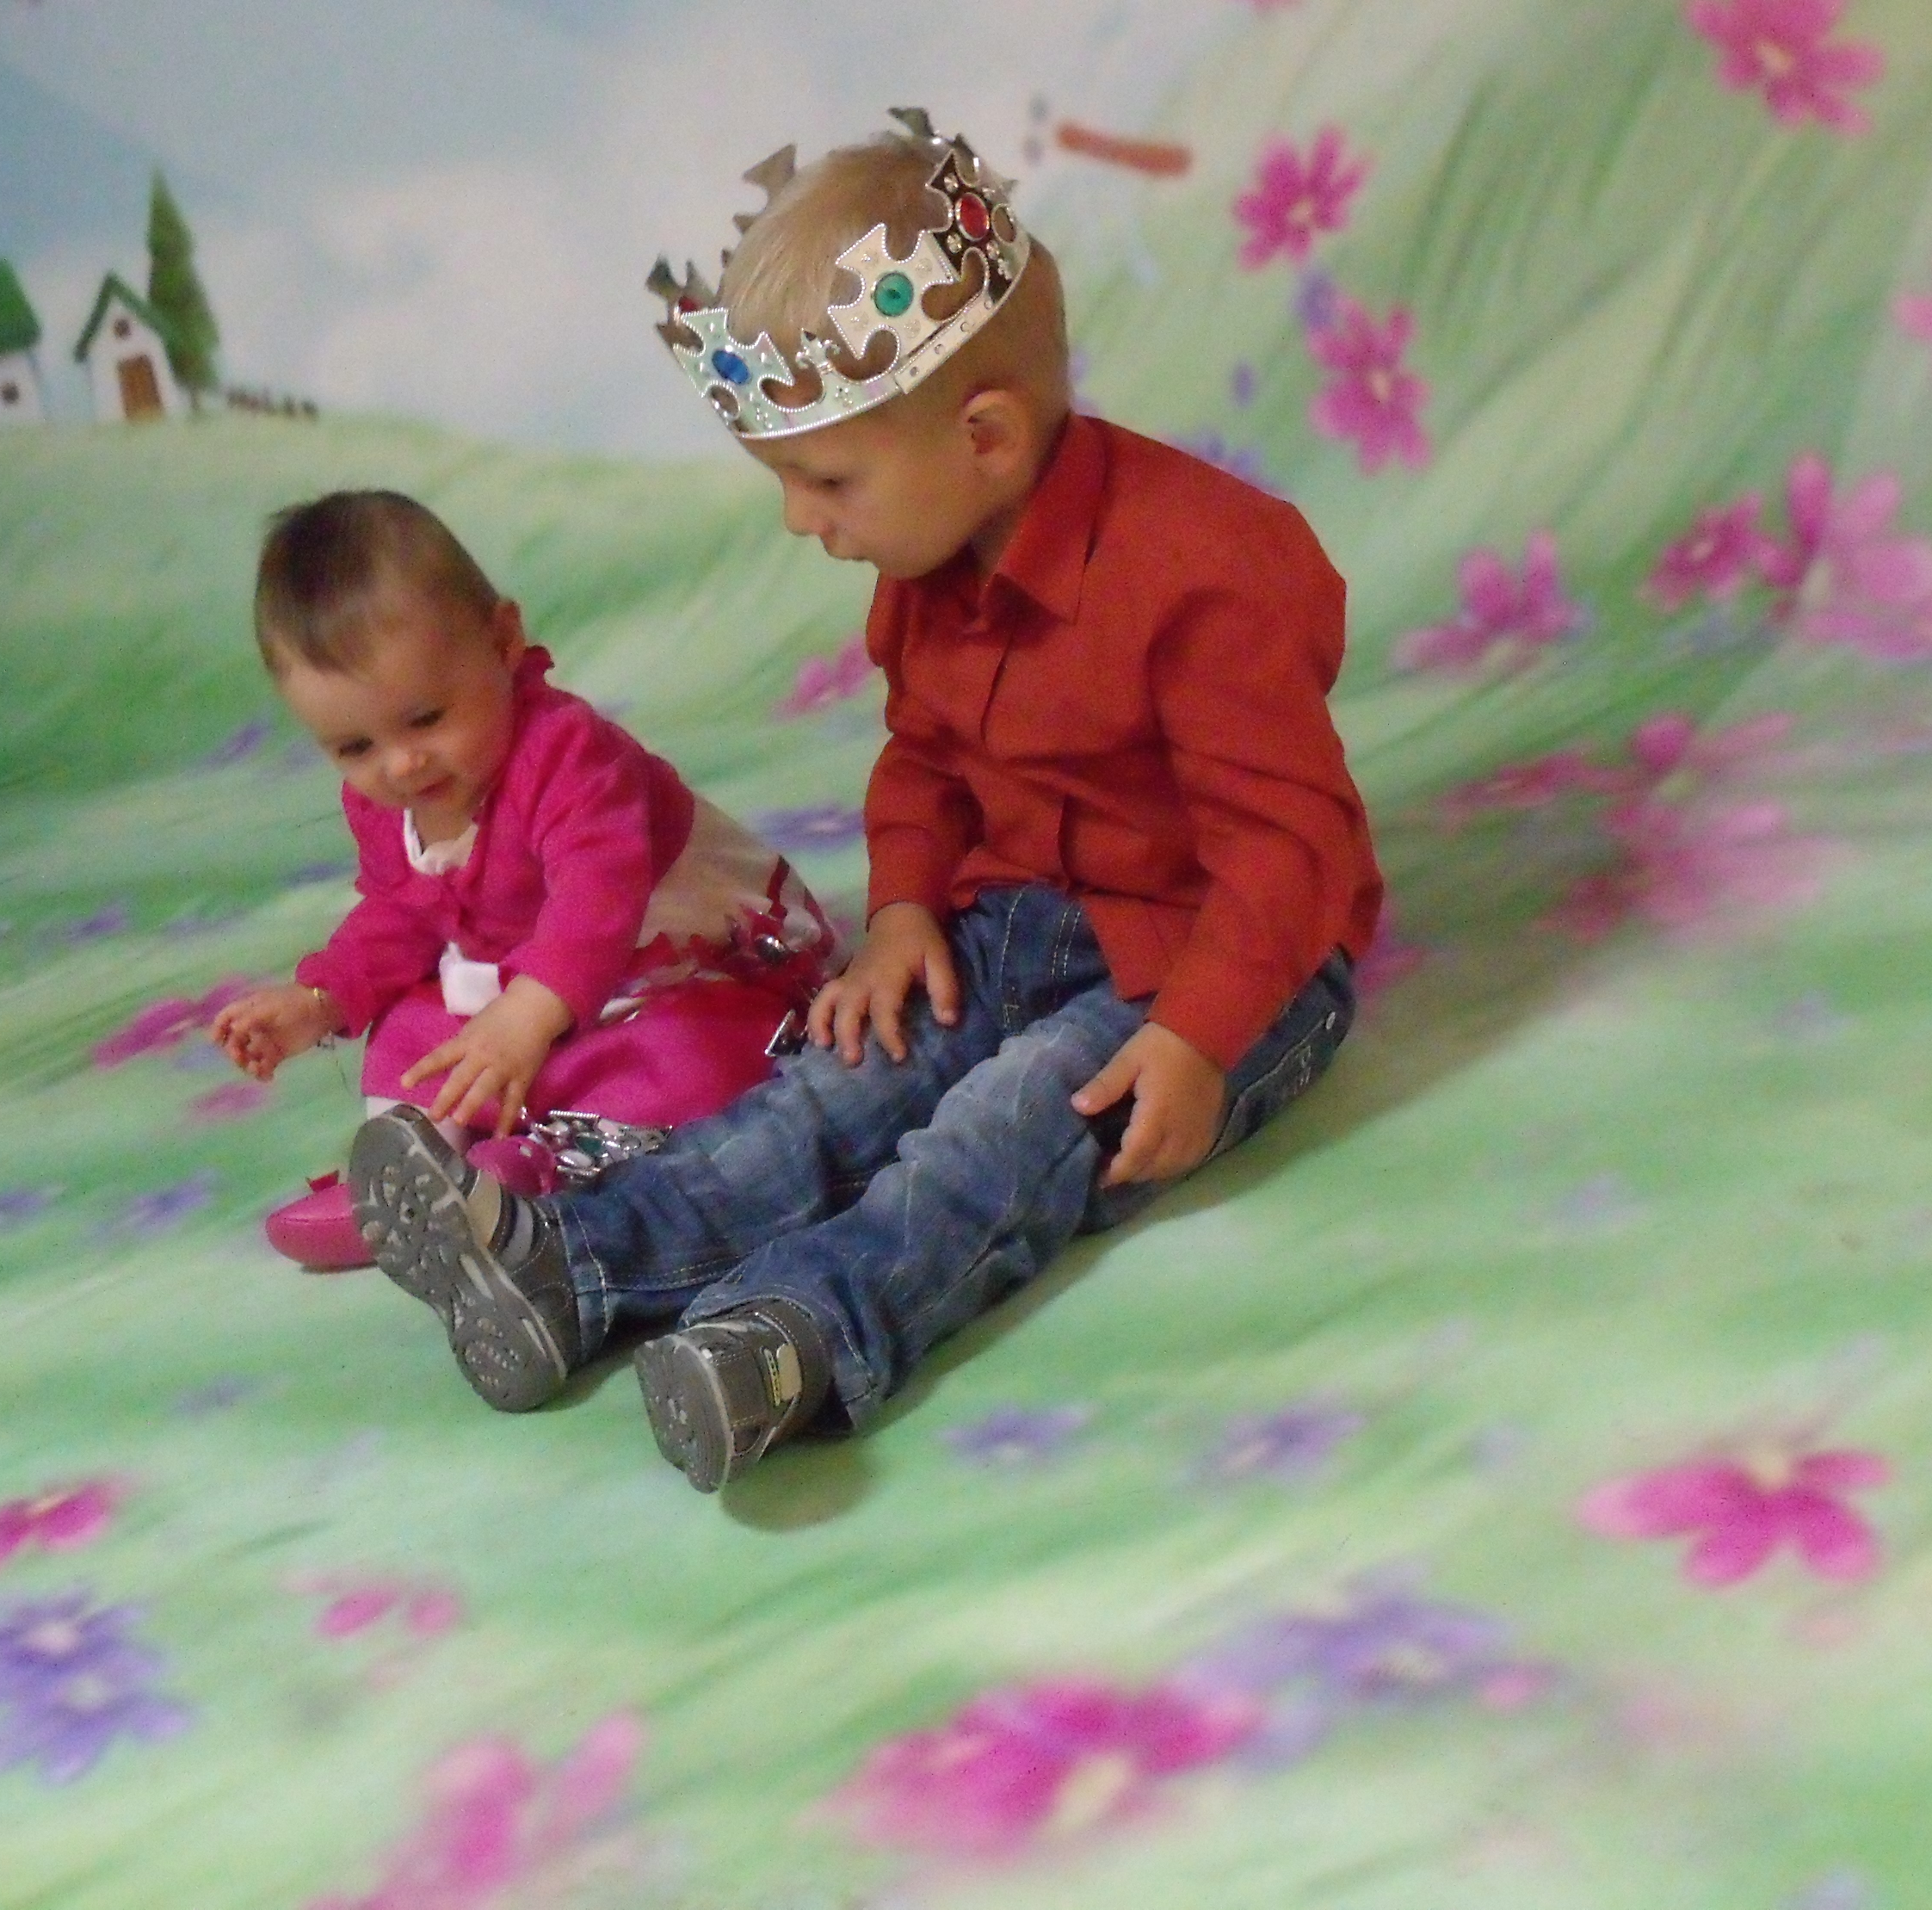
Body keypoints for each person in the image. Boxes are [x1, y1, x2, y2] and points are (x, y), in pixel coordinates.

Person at [347, 114, 1382, 1488]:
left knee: (1013, 1121)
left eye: (825, 481)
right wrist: (901, 914)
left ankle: (796, 1338)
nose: (799, 519)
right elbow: (924, 764)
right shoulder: (925, 572)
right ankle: (575, 1267)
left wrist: (1197, 1039)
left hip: (1224, 958)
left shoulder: (1204, 572)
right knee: (841, 1084)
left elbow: (1286, 847)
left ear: (986, 438)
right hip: (1018, 917)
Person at [211, 491, 838, 1272]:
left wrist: (527, 1015)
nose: (401, 765)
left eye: (427, 719)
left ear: (504, 640)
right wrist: (320, 1000)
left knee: (692, 1058)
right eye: (353, 747)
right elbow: (401, 917)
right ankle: (416, 1169)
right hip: (518, 984)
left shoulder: (569, 754)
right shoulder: (387, 804)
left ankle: (550, 1169)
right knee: (409, 1027)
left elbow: (595, 904)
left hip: (664, 968)